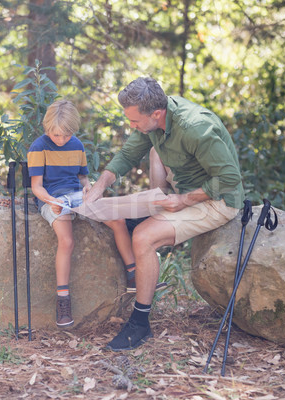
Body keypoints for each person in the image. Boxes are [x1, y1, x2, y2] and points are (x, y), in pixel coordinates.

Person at [84, 77, 245, 351]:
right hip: (182, 187)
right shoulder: (156, 122)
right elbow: (127, 154)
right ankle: (154, 214)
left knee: (143, 237)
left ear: (156, 113)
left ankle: (140, 323)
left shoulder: (195, 128)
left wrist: (183, 200)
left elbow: (229, 179)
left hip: (218, 200)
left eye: (134, 121)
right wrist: (99, 186)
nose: (132, 126)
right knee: (154, 152)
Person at [27, 99, 150, 328]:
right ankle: (63, 299)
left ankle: (133, 275)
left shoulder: (77, 145)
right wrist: (51, 201)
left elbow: (83, 178)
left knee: (118, 220)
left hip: (77, 196)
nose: (62, 139)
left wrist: (87, 188)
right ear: (47, 129)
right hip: (53, 197)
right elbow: (37, 187)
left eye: (67, 135)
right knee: (67, 240)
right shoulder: (38, 147)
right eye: (56, 135)